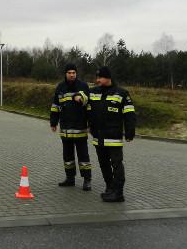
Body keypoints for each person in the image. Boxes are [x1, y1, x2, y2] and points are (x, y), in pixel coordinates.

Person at [87, 66, 136, 202]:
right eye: (97, 77)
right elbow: (86, 107)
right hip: (98, 136)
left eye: (100, 77)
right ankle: (110, 188)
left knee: (116, 164)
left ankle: (118, 193)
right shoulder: (93, 92)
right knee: (103, 164)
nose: (97, 80)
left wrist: (130, 132)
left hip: (113, 137)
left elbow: (129, 114)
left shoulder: (122, 93)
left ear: (108, 78)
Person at [50, 63, 92, 189]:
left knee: (83, 156)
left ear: (76, 73)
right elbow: (55, 106)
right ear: (65, 74)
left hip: (80, 127)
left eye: (74, 72)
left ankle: (87, 180)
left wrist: (90, 123)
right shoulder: (60, 87)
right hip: (66, 128)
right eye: (69, 73)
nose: (72, 75)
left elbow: (89, 105)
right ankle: (70, 178)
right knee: (67, 156)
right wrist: (53, 122)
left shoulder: (83, 86)